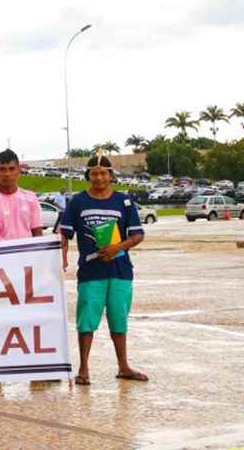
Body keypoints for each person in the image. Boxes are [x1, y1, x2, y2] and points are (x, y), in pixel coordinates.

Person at [59, 154, 147, 386]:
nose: (98, 177)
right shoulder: (77, 202)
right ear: (88, 175)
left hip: (120, 271)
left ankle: (123, 366)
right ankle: (83, 368)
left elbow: (137, 235)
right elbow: (64, 233)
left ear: (111, 175)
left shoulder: (124, 201)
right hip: (91, 272)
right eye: (94, 173)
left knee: (119, 319)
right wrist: (62, 257)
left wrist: (118, 247)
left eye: (103, 173)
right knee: (86, 320)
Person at [0, 149, 43, 242]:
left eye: (11, 169)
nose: (7, 174)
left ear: (19, 171)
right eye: (2, 169)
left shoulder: (31, 198)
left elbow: (38, 234)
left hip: (28, 251)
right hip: (0, 251)